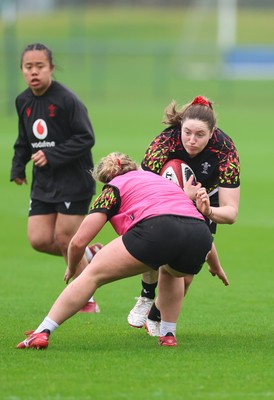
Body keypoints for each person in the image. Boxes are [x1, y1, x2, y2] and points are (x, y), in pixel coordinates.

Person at [16, 152, 229, 350]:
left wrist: (72, 268)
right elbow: (190, 221)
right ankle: (168, 335)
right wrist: (216, 266)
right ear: (134, 167)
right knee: (171, 270)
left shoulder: (113, 188)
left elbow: (78, 242)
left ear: (104, 179)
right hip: (200, 235)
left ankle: (42, 331)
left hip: (157, 230)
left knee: (92, 275)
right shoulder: (163, 182)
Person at [127, 95, 240, 335]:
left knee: (185, 276)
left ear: (212, 133)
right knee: (154, 245)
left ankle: (156, 314)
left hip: (205, 200)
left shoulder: (226, 150)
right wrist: (179, 195)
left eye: (200, 135)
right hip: (162, 197)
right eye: (187, 132)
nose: (191, 140)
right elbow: (144, 188)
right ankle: (147, 294)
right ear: (180, 127)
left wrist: (207, 210)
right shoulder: (164, 142)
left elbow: (230, 213)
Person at [10, 43, 102, 313]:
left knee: (64, 237)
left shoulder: (67, 100)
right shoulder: (23, 101)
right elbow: (24, 140)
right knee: (39, 239)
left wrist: (52, 155)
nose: (34, 72)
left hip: (74, 180)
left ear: (50, 68)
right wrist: (18, 167)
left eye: (40, 66)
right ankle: (89, 254)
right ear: (22, 70)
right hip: (44, 182)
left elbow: (86, 138)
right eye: (29, 67)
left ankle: (87, 298)